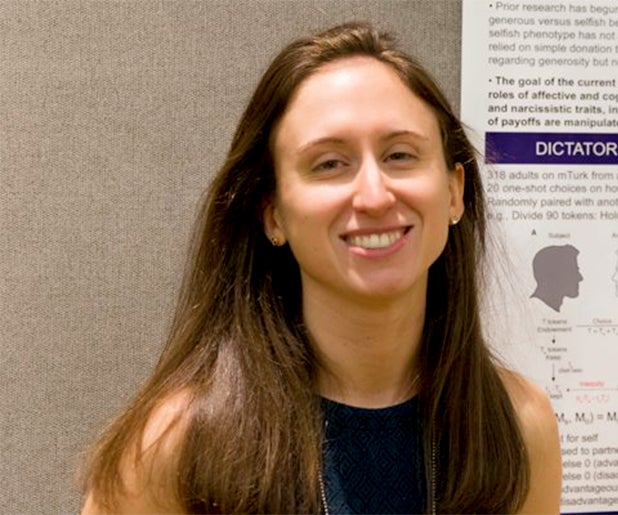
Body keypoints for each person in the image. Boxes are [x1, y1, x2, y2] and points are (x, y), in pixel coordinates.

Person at [81, 22, 561, 514]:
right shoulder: (173, 448)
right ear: (272, 212)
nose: (374, 195)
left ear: (454, 192)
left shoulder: (520, 429)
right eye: (329, 164)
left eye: (400, 155)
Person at [530, 245, 583, 313]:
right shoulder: (536, 311)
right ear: (553, 276)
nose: (580, 278)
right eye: (572, 272)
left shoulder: (542, 310)